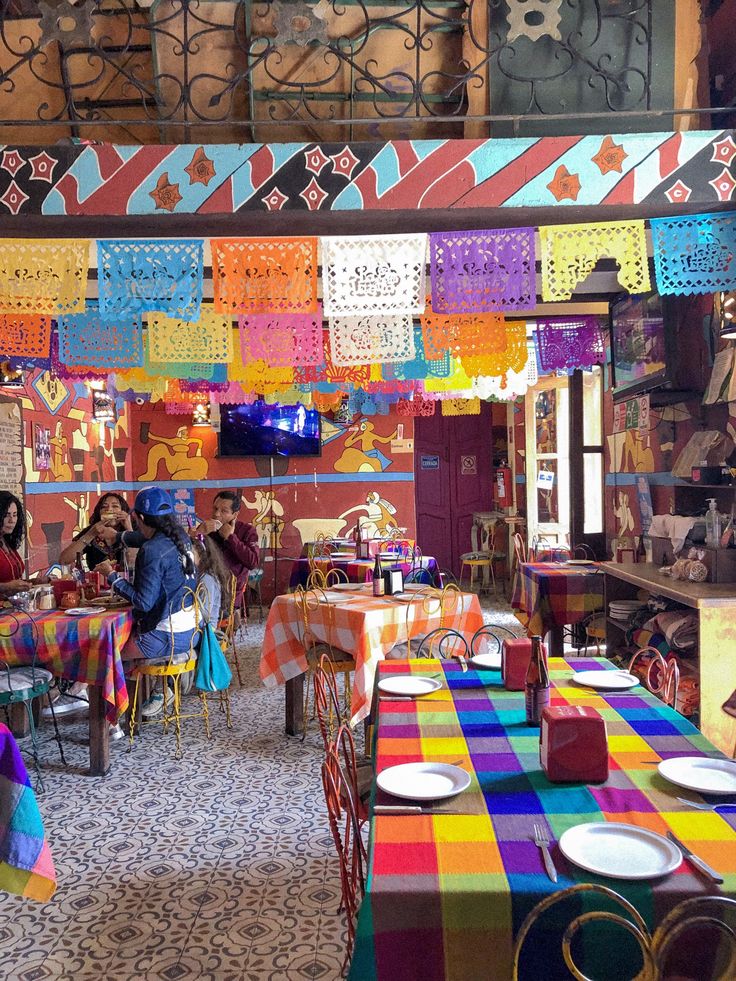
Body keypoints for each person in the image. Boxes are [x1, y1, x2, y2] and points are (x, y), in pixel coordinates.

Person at [95, 487, 198, 663]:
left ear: (140, 518)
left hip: (166, 637)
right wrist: (118, 536)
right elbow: (143, 538)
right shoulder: (179, 535)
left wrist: (111, 575)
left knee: (103, 656)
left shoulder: (152, 550)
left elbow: (143, 602)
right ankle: (155, 688)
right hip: (192, 630)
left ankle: (83, 690)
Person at [190, 491, 258, 609]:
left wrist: (231, 538)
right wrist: (196, 536)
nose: (216, 514)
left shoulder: (247, 531)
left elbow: (252, 562)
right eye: (215, 508)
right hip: (205, 589)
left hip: (231, 591)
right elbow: (190, 559)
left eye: (224, 511)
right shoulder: (206, 529)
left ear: (235, 514)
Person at [59, 492, 132, 572]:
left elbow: (136, 562)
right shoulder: (91, 530)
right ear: (99, 512)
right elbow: (64, 560)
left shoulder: (133, 530)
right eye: (104, 507)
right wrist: (91, 534)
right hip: (96, 581)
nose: (109, 509)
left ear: (123, 511)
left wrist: (129, 528)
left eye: (115, 506)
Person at [0, 491, 31, 593]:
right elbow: (9, 585)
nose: (12, 520)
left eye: (15, 515)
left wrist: (33, 582)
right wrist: (6, 587)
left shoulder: (6, 541)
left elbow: (13, 582)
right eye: (6, 515)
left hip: (11, 606)